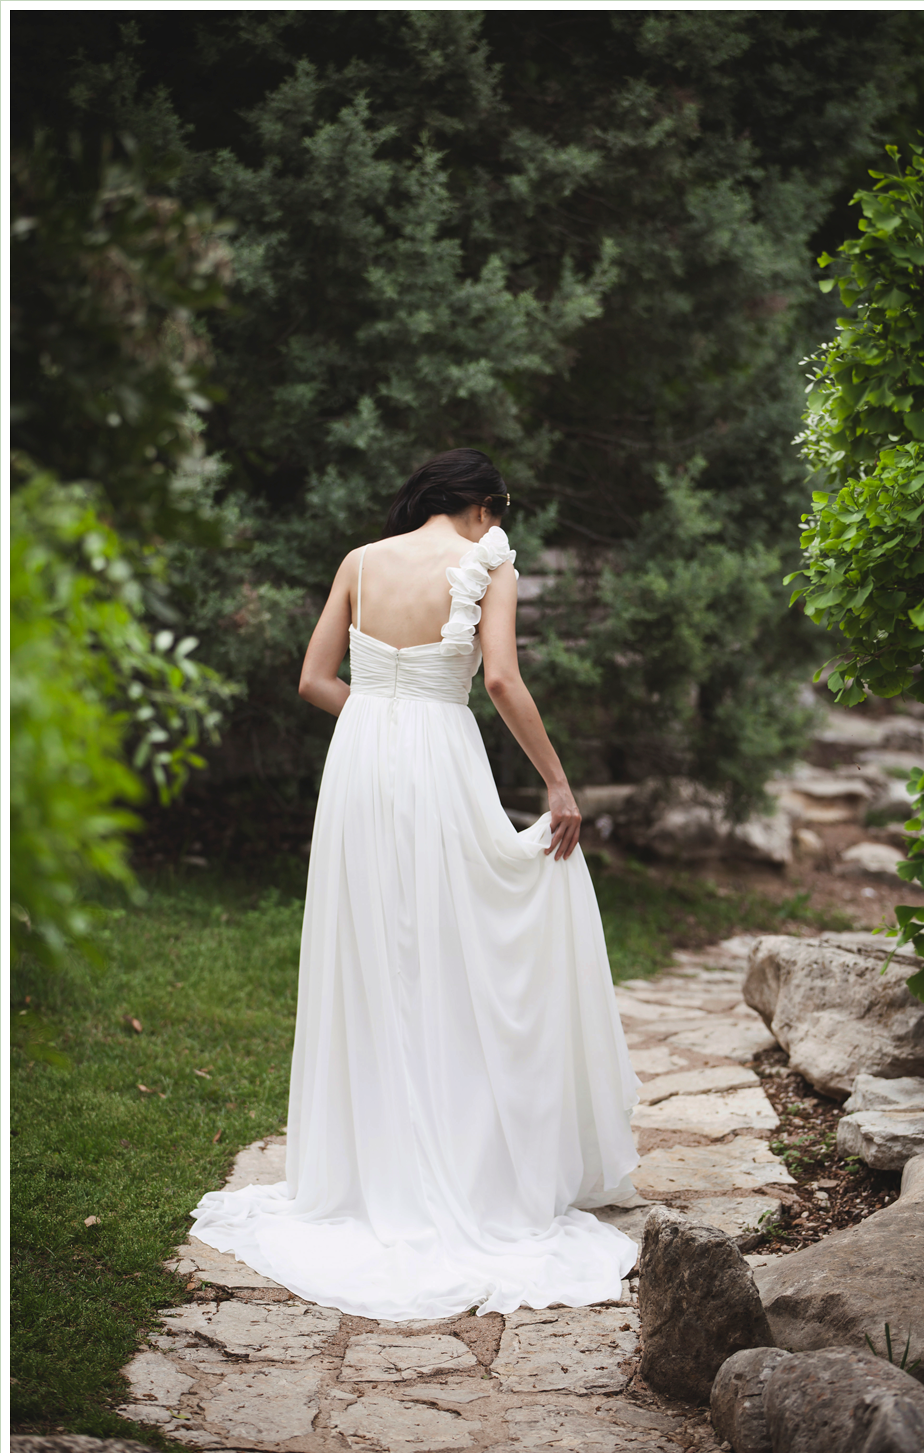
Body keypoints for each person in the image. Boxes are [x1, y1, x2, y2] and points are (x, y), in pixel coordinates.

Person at [190, 449, 640, 1319]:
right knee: (452, 942)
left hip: (359, 761)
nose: (498, 521)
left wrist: (380, 713)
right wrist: (556, 782)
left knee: (369, 947)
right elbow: (500, 678)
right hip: (438, 755)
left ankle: (372, 1169)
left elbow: (313, 680)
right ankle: (458, 1157)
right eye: (499, 507)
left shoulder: (360, 561)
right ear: (481, 505)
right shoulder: (488, 560)